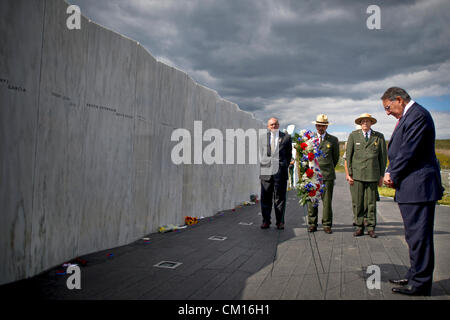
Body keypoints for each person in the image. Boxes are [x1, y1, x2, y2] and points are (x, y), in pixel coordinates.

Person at [382, 87, 443, 296]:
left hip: (419, 186)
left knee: (419, 237)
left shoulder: (418, 116)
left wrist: (391, 173)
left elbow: (408, 150)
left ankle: (420, 284)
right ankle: (414, 274)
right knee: (413, 236)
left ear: (399, 99)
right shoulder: (410, 116)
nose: (387, 113)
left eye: (388, 107)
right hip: (412, 186)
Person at [346, 113, 387, 238]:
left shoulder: (379, 137)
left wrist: (381, 176)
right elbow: (348, 156)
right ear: (360, 123)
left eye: (367, 121)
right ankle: (359, 227)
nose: (365, 123)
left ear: (371, 123)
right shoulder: (353, 136)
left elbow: (383, 158)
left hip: (372, 175)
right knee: (358, 202)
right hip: (357, 175)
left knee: (371, 203)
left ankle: (370, 227)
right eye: (363, 121)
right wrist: (350, 174)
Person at [307, 114, 339, 234]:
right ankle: (312, 223)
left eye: (324, 126)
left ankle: (326, 224)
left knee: (327, 202)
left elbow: (335, 158)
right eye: (319, 125)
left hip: (327, 175)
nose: (321, 127)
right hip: (313, 175)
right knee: (312, 201)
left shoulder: (333, 140)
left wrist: (328, 168)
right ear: (316, 126)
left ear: (326, 127)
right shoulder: (310, 139)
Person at [259, 117, 292, 230]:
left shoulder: (286, 137)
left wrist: (282, 166)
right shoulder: (263, 138)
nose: (274, 126)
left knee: (280, 198)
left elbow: (288, 155)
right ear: (268, 127)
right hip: (266, 173)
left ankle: (280, 222)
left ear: (279, 125)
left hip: (280, 173)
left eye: (276, 124)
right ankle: (266, 221)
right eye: (271, 125)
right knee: (265, 198)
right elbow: (262, 153)